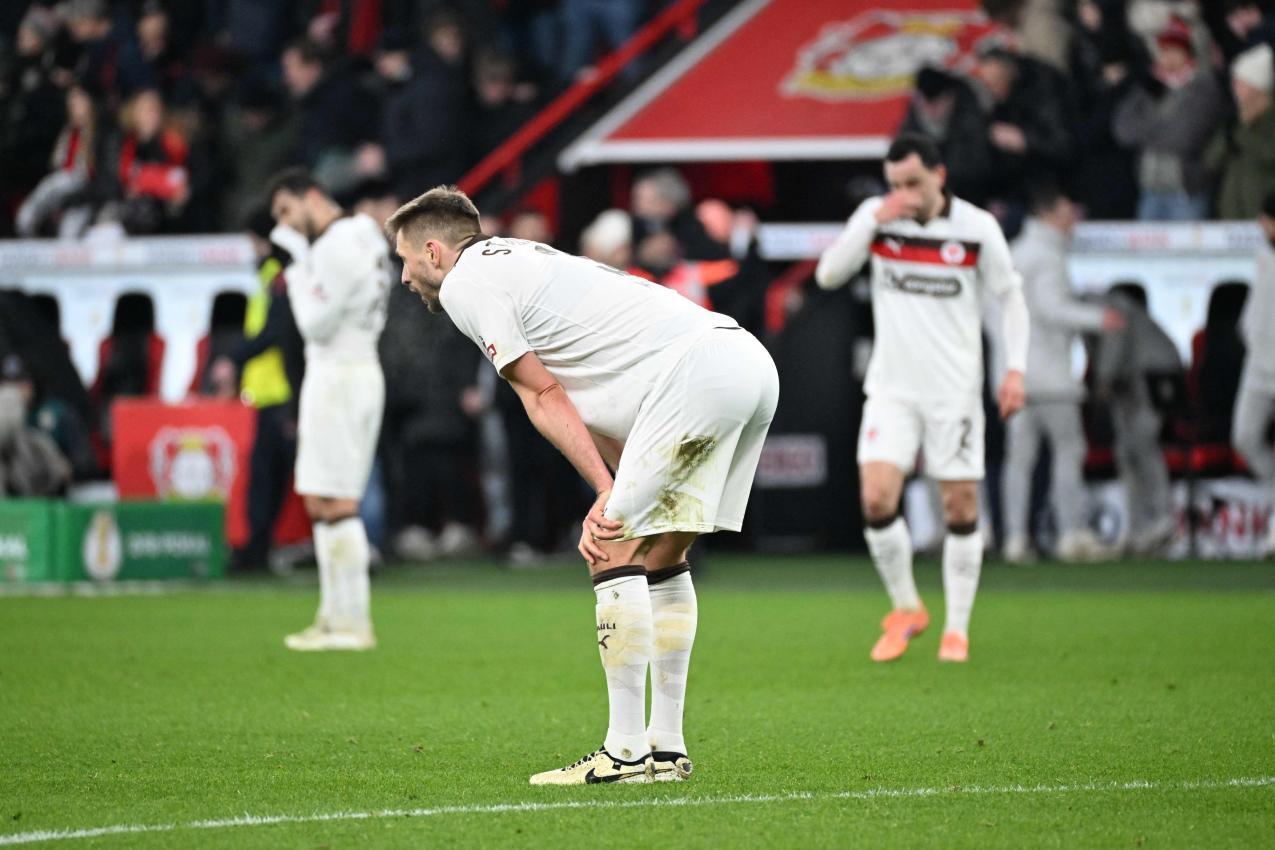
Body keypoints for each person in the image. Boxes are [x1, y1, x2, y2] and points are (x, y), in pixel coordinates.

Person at [386, 185, 778, 785]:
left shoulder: (467, 284)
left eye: (406, 261)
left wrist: (603, 492)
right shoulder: (524, 258)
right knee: (667, 554)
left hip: (696, 374)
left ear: (434, 252)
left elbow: (543, 393)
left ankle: (623, 754)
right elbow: (616, 405)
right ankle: (666, 748)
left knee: (609, 545)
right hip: (744, 361)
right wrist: (616, 482)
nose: (405, 279)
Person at [814, 133, 1030, 664]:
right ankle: (908, 607)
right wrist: (873, 220)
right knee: (876, 499)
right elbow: (828, 275)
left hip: (953, 391)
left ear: (940, 176)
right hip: (891, 389)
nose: (904, 193)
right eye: (895, 185)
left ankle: (957, 630)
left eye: (913, 182)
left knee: (959, 506)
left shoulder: (976, 228)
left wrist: (1015, 370)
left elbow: (1011, 298)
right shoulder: (878, 217)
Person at [267, 169, 391, 651]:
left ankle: (352, 622)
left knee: (336, 500)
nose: (285, 225)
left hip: (341, 369)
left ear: (310, 197)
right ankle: (332, 614)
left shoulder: (336, 245)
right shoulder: (362, 236)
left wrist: (296, 265)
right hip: (348, 371)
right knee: (320, 497)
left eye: (285, 211)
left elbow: (315, 325)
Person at [1002, 186, 1124, 562]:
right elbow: (1052, 307)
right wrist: (1098, 319)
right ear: (1049, 213)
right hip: (1051, 377)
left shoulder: (1013, 253)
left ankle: (1015, 539)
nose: (1074, 216)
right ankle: (1071, 534)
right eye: (1068, 209)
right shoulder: (1048, 257)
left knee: (1019, 460)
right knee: (1069, 452)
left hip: (1015, 374)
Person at [1094, 284, 1181, 554]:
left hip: (1152, 380)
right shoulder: (1112, 309)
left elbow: (1114, 344)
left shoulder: (1112, 308)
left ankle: (1163, 520)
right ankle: (1138, 528)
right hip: (1134, 383)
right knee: (1127, 451)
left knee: (1144, 447)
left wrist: (1104, 378)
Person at [1232, 192, 1275, 557]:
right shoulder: (1263, 258)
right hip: (1258, 370)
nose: (1263, 227)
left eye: (1266, 221)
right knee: (1245, 437)